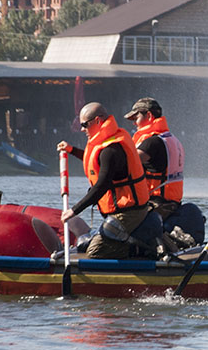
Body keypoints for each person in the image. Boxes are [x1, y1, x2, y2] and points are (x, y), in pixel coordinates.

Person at [57, 102, 151, 259]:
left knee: (95, 252)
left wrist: (73, 210)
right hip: (120, 211)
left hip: (129, 212)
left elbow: (101, 185)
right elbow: (97, 161)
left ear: (98, 121)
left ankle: (139, 251)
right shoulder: (107, 143)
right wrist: (71, 150)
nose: (82, 129)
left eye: (84, 124)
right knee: (92, 245)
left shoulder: (111, 149)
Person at [124, 97, 205, 248]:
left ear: (148, 116)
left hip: (155, 206)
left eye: (137, 117)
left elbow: (122, 165)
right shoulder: (171, 139)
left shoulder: (151, 143)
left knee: (117, 228)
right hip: (171, 204)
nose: (134, 122)